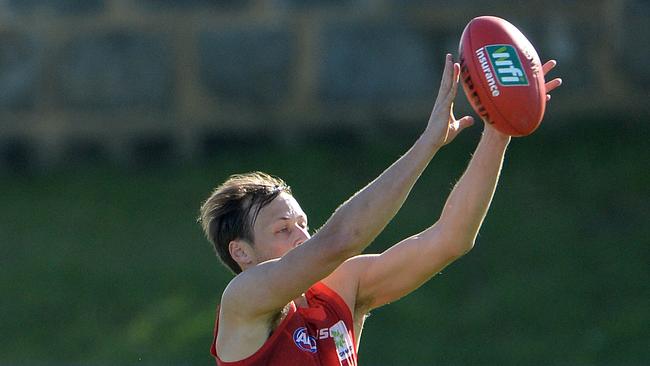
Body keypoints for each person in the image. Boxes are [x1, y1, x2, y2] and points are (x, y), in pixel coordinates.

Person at [199, 54, 562, 365]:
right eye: (282, 229)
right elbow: (339, 240)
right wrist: (428, 144)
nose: (301, 235)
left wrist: (499, 128)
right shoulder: (242, 301)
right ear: (242, 252)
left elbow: (451, 239)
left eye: (302, 223)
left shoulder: (340, 288)